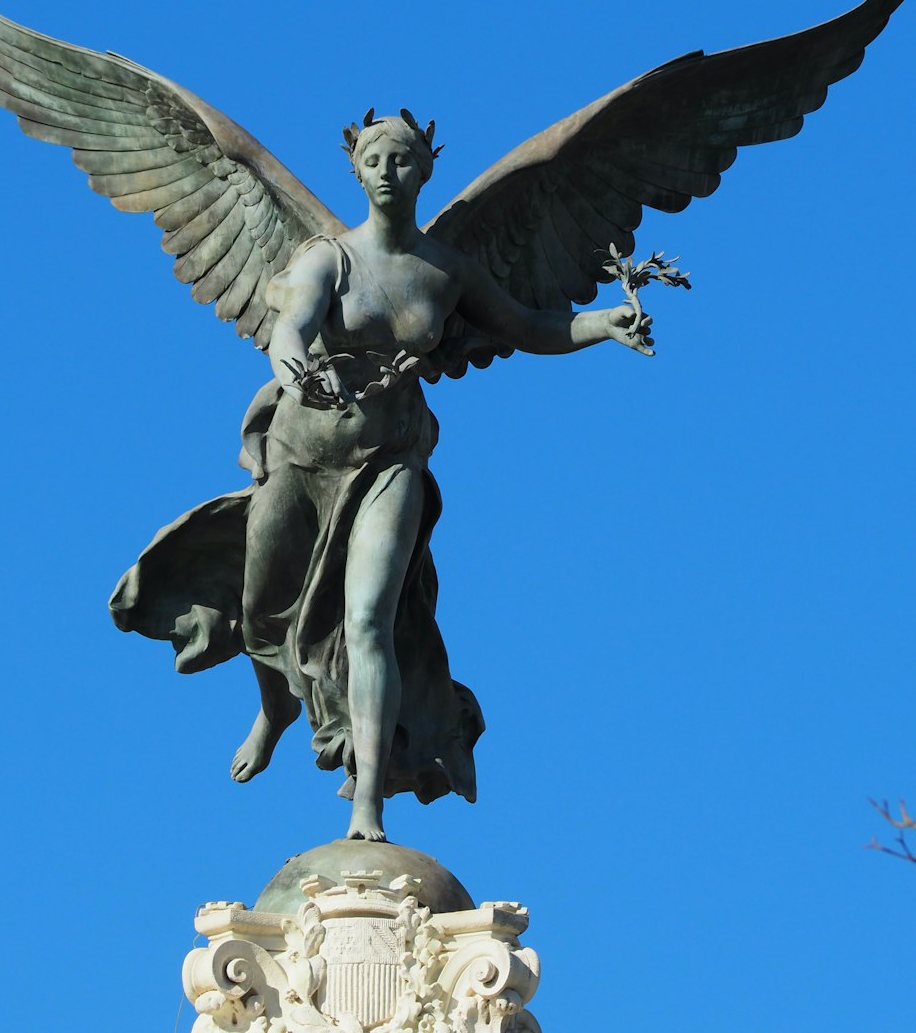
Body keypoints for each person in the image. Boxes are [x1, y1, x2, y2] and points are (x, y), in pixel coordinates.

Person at [112, 113, 648, 841]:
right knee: (267, 611)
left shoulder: (446, 271)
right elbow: (290, 326)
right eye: (374, 159)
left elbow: (528, 325)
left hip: (390, 460)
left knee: (368, 620)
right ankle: (275, 709)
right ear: (357, 172)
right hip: (302, 460)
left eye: (402, 159)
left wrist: (600, 324)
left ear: (424, 170)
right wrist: (293, 365)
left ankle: (367, 801)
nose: (388, 170)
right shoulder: (328, 258)